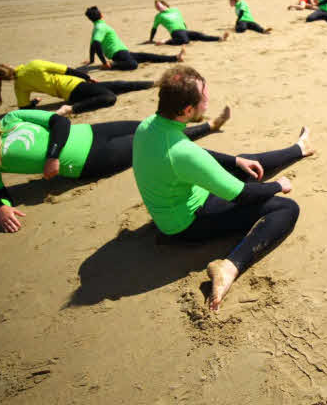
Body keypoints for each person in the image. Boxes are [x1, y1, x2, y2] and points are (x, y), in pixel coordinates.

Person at [132, 65, 314, 310]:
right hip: (187, 223)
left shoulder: (150, 126)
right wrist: (276, 186)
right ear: (187, 110)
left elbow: (194, 152)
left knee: (245, 162)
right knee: (285, 208)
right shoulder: (181, 152)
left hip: (174, 204)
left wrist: (235, 161)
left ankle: (299, 149)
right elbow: (241, 194)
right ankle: (229, 267)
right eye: (204, 99)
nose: (207, 102)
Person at [0, 107, 226, 233]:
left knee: (148, 127)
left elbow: (60, 123)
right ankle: (208, 127)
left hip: (94, 131)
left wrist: (51, 157)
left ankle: (194, 123)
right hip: (91, 160)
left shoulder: (12, 117)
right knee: (152, 145)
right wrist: (2, 209)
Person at [0, 60, 155, 116]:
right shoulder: (34, 65)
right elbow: (66, 69)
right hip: (75, 87)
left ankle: (154, 83)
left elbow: (23, 108)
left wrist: (34, 103)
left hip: (74, 91)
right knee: (110, 96)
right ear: (7, 66)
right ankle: (71, 109)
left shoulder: (19, 86)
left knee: (118, 85)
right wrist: (87, 76)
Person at [81, 6, 184, 70]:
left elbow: (92, 45)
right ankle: (112, 65)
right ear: (101, 15)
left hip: (122, 52)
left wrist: (91, 60)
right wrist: (104, 63)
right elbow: (96, 44)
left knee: (147, 56)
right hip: (117, 53)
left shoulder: (97, 28)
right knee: (133, 64)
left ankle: (175, 58)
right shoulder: (100, 27)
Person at [150, 0, 227, 44]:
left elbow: (181, 21)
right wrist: (151, 40)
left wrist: (185, 28)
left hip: (184, 30)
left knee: (200, 35)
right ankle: (166, 41)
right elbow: (154, 28)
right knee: (185, 41)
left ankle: (219, 38)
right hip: (175, 32)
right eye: (157, 7)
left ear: (164, 4)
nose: (158, 8)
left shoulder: (175, 10)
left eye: (159, 5)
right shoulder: (159, 16)